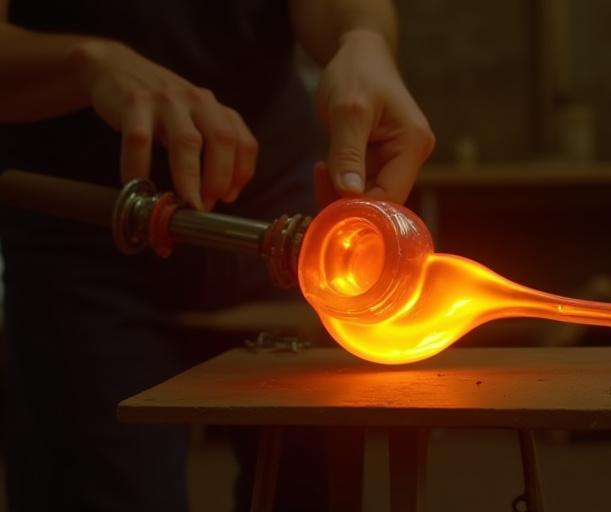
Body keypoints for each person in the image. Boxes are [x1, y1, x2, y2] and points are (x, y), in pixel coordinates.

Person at [0, 0, 434, 510]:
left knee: (309, 488)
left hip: (280, 197)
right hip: (85, 223)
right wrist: (89, 61)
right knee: (106, 489)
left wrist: (362, 37)